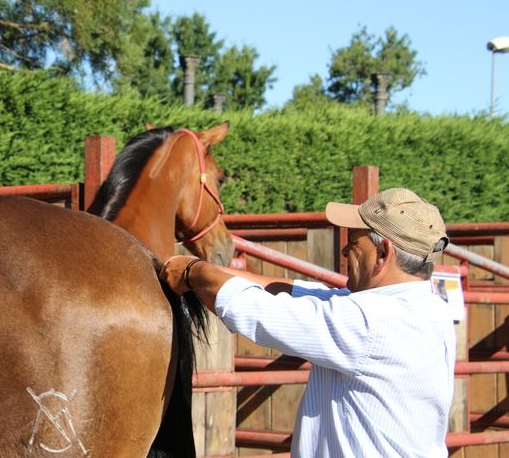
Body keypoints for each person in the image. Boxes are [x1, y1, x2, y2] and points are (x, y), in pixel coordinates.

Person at [160, 188, 455, 458]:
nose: (344, 251)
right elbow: (299, 292)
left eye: (353, 243)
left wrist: (193, 273)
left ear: (382, 253)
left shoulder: (369, 322)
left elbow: (254, 310)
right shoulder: (428, 310)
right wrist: (215, 271)